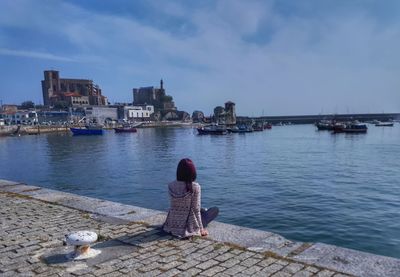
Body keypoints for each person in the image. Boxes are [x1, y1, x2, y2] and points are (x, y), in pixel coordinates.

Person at [163, 158, 219, 238]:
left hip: (173, 223)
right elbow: (195, 210)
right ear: (192, 172)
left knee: (200, 209)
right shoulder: (195, 187)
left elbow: (174, 206)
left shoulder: (171, 185)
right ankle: (204, 212)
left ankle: (203, 210)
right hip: (189, 223)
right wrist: (201, 229)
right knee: (215, 210)